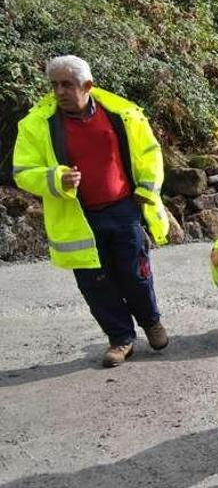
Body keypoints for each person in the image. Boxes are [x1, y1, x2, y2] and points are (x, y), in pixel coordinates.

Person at [13, 55, 170, 368]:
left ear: (87, 86)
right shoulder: (37, 125)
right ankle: (121, 339)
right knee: (95, 284)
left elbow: (150, 154)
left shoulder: (121, 114)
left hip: (124, 208)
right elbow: (22, 171)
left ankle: (151, 321)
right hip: (78, 218)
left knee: (135, 275)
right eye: (54, 85)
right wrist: (57, 178)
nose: (59, 91)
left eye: (67, 85)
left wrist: (145, 191)